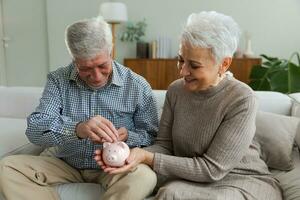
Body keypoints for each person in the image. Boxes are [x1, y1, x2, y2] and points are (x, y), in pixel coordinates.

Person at [95, 11, 283, 200]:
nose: (183, 71)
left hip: (241, 180)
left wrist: (147, 157)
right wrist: (128, 153)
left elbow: (212, 169)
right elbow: (164, 147)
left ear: (224, 64)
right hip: (191, 180)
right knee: (171, 193)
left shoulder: (242, 99)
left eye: (194, 65)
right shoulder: (176, 91)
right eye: (181, 60)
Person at [0, 17, 158, 200]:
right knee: (6, 168)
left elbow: (152, 136)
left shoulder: (137, 85)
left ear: (110, 51)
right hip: (65, 162)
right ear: (74, 59)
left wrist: (128, 136)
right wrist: (77, 129)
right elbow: (35, 128)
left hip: (113, 168)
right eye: (86, 68)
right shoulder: (58, 80)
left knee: (144, 177)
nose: (96, 76)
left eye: (102, 65)